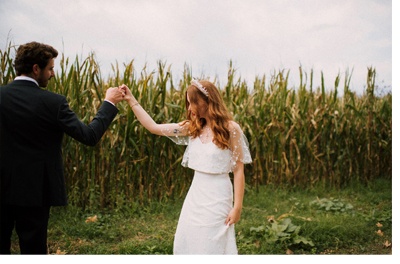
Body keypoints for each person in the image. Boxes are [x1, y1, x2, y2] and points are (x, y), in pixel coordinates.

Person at [0, 41, 125, 254]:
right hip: (35, 193)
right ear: (36, 69)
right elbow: (89, 135)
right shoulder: (53, 102)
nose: (53, 74)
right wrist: (109, 102)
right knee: (33, 251)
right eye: (50, 68)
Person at [120, 79, 252, 254]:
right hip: (195, 195)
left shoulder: (231, 129)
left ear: (206, 101)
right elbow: (154, 127)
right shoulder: (192, 128)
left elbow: (238, 170)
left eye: (192, 103)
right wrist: (132, 101)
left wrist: (237, 208)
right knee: (190, 239)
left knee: (211, 244)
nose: (189, 109)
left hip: (219, 196)